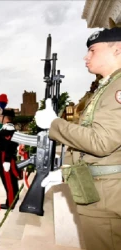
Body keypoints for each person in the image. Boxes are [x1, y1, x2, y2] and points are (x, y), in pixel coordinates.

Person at [37, 27, 121, 250]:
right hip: (100, 189)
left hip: (107, 197)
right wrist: (67, 173)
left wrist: (54, 124)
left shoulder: (118, 87)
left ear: (117, 50)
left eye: (92, 50)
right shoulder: (108, 86)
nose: (86, 56)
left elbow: (101, 142)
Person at [0, 108, 21, 210]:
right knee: (12, 180)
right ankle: (15, 198)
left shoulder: (6, 131)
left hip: (5, 158)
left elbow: (8, 146)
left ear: (5, 118)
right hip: (8, 158)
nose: (0, 118)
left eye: (1, 116)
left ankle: (10, 202)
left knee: (8, 181)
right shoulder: (11, 129)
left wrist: (6, 160)